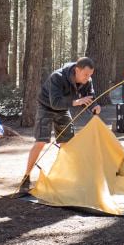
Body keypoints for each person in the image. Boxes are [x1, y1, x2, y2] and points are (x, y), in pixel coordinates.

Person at [20, 57, 101, 193]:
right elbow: (55, 103)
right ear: (77, 70)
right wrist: (78, 101)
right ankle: (26, 177)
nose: (88, 78)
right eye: (86, 74)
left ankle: (61, 176)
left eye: (90, 75)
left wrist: (94, 106)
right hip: (46, 106)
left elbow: (90, 96)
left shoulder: (87, 80)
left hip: (63, 109)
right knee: (41, 142)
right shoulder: (57, 77)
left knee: (67, 144)